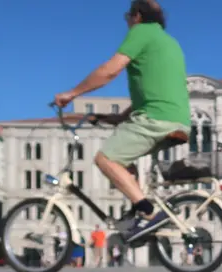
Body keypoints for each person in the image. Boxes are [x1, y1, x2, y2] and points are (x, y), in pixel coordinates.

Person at [53, 0, 191, 243]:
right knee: (126, 163)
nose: (127, 22)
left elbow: (110, 70)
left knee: (105, 159)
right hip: (176, 119)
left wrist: (72, 93)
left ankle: (147, 212)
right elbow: (157, 90)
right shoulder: (170, 42)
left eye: (127, 16)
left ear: (137, 16)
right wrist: (118, 117)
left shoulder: (141, 32)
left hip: (156, 118)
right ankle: (137, 212)